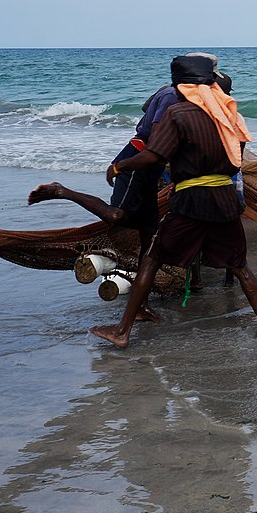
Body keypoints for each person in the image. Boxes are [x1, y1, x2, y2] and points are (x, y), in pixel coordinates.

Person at [90, 54, 257, 348]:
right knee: (240, 266)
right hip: (225, 200)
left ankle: (122, 332)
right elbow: (235, 157)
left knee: (151, 260)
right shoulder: (230, 115)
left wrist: (120, 166)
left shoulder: (177, 114)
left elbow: (155, 155)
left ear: (181, 86)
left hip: (190, 201)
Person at [27, 66, 188, 321]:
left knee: (149, 238)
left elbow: (147, 109)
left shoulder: (170, 95)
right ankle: (61, 190)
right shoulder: (171, 96)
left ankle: (141, 307)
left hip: (149, 166)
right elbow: (156, 141)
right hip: (137, 160)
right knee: (116, 216)